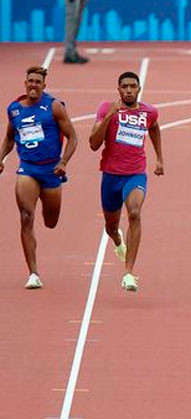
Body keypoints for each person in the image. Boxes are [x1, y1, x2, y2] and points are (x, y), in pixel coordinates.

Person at [0, 66, 78, 289]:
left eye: (37, 82)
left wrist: (63, 162)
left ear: (44, 85)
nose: (33, 85)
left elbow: (73, 137)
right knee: (26, 216)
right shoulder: (14, 109)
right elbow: (9, 138)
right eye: (30, 81)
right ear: (25, 84)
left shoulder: (54, 106)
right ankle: (33, 273)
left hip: (51, 171)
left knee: (50, 222)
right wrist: (1, 157)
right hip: (28, 169)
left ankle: (47, 209)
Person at [89, 71, 163, 292]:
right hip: (111, 176)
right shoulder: (106, 108)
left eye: (133, 86)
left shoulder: (149, 112)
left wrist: (159, 158)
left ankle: (129, 273)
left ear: (139, 89)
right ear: (118, 89)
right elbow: (93, 144)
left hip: (135, 174)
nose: (129, 90)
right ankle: (118, 242)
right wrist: (110, 116)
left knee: (134, 213)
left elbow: (154, 128)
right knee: (111, 227)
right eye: (125, 87)